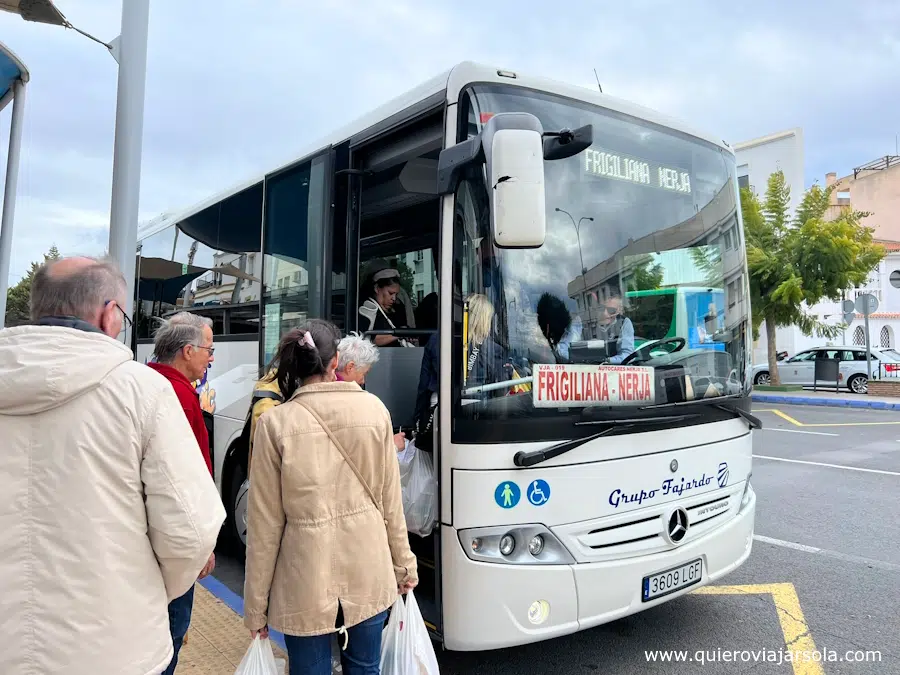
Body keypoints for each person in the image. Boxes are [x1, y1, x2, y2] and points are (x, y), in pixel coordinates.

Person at [0, 256, 225, 675]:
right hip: (115, 648)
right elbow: (190, 532)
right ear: (108, 315)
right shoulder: (143, 391)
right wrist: (151, 592)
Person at [244, 319, 417, 675]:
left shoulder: (275, 425)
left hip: (303, 578)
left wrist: (256, 607)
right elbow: (390, 503)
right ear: (336, 363)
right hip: (369, 570)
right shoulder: (375, 412)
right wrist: (404, 565)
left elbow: (264, 528)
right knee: (366, 668)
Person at [147, 311, 219, 675]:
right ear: (187, 351)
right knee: (171, 634)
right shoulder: (181, 396)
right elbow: (189, 480)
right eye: (208, 348)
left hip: (142, 538)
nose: (211, 357)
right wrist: (202, 546)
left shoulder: (143, 382)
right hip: (174, 543)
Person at [336, 332, 406, 451]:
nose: (363, 381)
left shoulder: (318, 390)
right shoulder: (364, 404)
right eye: (364, 373)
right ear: (350, 367)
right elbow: (365, 454)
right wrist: (393, 446)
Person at [358, 262, 413, 347]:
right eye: (390, 293)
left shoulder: (397, 309)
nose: (394, 298)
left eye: (396, 294)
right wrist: (399, 334)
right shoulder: (368, 309)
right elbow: (372, 339)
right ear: (377, 289)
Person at [596, 292, 635, 364]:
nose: (605, 313)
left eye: (611, 310)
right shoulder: (585, 323)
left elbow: (627, 355)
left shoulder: (624, 323)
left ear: (619, 310)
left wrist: (607, 361)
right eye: (602, 309)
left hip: (616, 371)